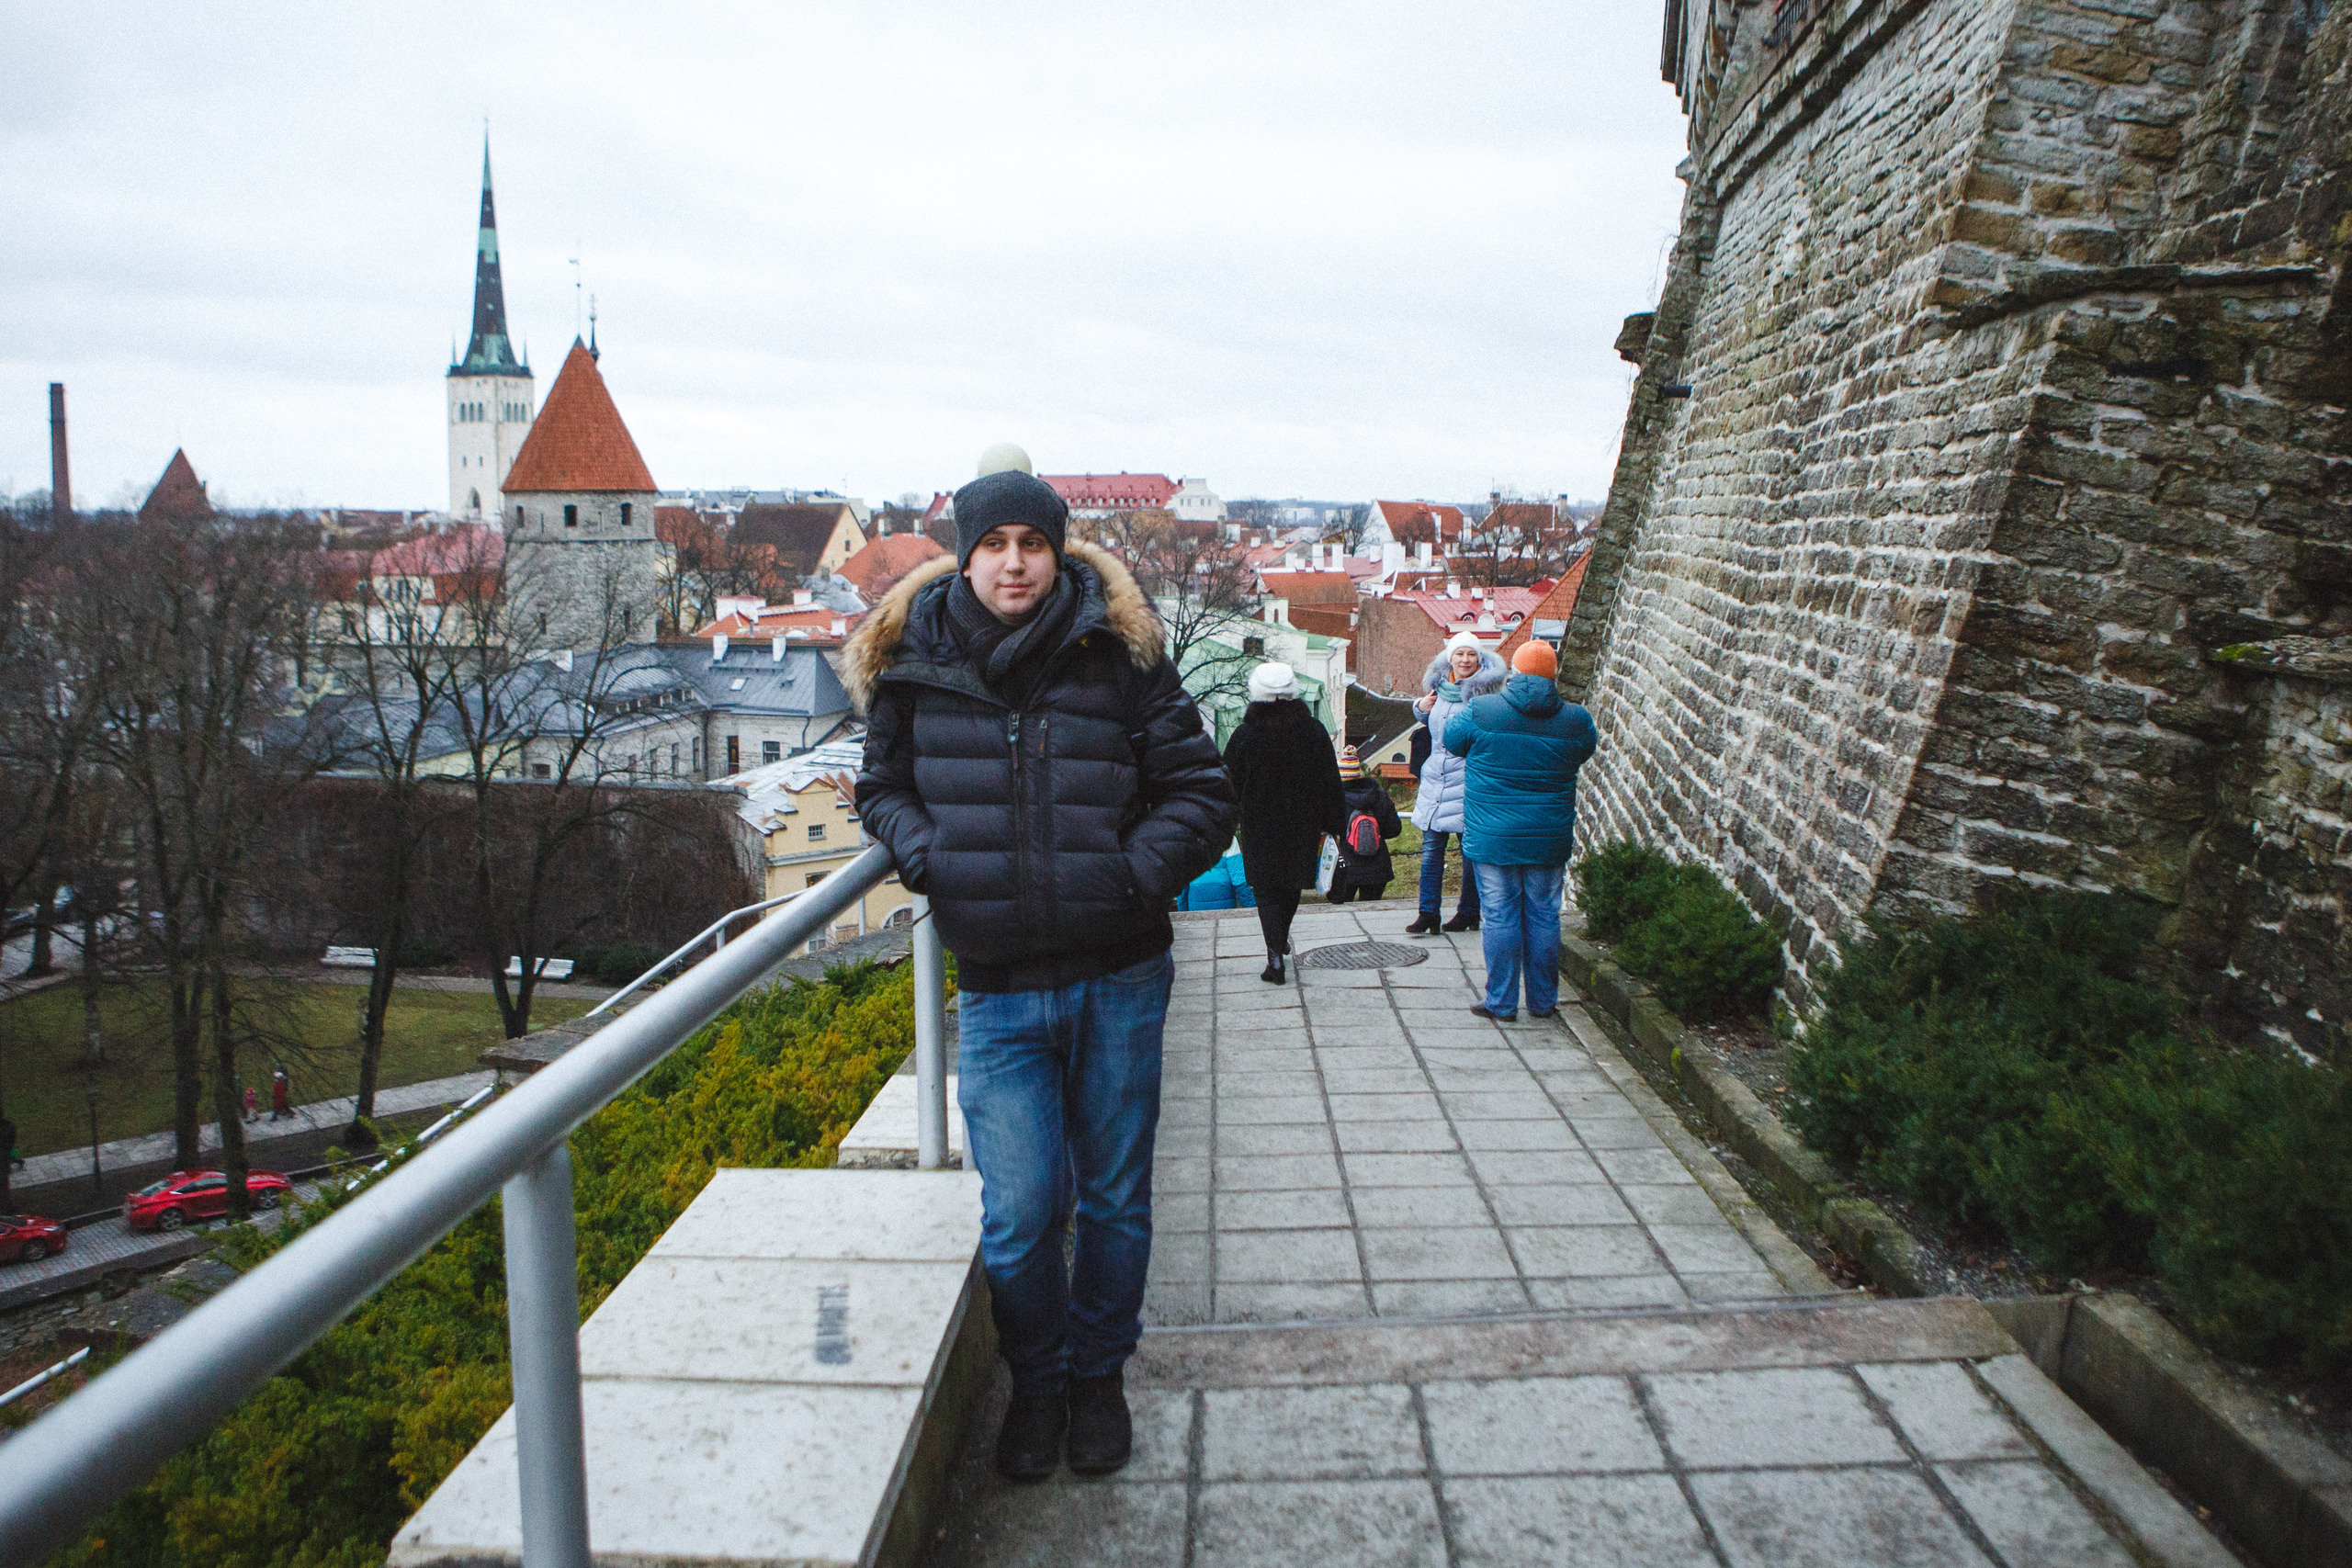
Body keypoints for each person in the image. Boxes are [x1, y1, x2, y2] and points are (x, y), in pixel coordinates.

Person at [848, 448, 1237, 1482]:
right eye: (994, 545)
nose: (1014, 564)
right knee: (1018, 1218)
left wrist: (1129, 875)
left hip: (1119, 972)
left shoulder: (1120, 653)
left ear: (1058, 551)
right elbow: (878, 789)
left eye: (1032, 543)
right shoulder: (913, 663)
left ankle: (1099, 1375)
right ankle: (1040, 1378)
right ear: (963, 556)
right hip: (1000, 986)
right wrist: (930, 855)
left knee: (1113, 1197)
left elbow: (1200, 794)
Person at [1443, 639, 1599, 1021]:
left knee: (1499, 914)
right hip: (1548, 836)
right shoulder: (1576, 720)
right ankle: (1543, 1002)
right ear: (1553, 675)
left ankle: (1502, 1002)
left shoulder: (1482, 710)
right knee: (1544, 915)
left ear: (1513, 671)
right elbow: (1585, 749)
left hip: (1493, 835)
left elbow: (1451, 741)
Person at [1222, 661, 1345, 982]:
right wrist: (1334, 823)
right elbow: (1330, 781)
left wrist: (1224, 820)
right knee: (1291, 885)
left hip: (1259, 824)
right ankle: (1279, 939)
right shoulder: (1313, 731)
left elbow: (1227, 781)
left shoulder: (1245, 734)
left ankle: (1274, 956)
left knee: (1264, 888)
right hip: (1302, 822)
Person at [1404, 633, 1507, 936]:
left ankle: (1468, 912)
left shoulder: (1486, 694)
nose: (1464, 661)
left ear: (1479, 659)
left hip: (1468, 779)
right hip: (1436, 777)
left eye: (1470, 655)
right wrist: (1419, 707)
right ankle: (1428, 913)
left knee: (1469, 852)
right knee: (1431, 850)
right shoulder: (1440, 688)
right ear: (1449, 657)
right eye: (1459, 654)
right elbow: (1431, 722)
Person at [1327, 746, 1401, 904]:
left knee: (1339, 915)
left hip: (1344, 867)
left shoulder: (1335, 800)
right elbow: (1395, 829)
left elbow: (1327, 829)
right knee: (1371, 915)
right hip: (1378, 868)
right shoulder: (1379, 795)